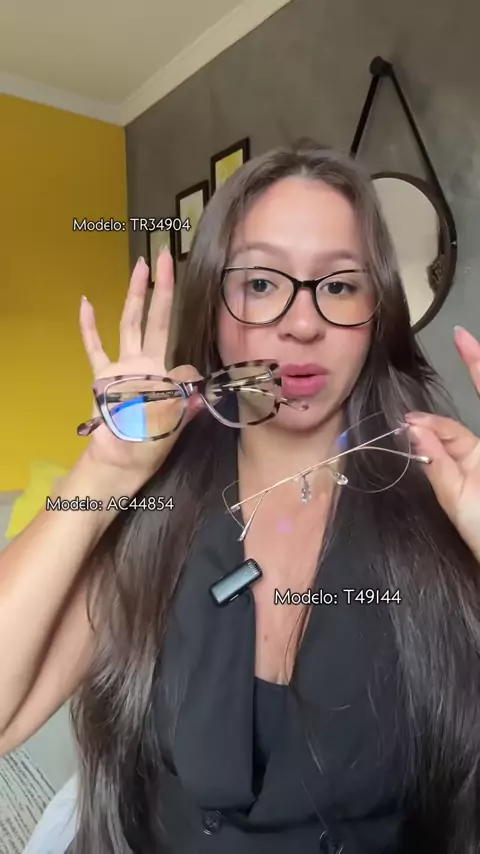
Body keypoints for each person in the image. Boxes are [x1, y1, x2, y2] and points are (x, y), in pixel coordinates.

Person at [0, 142, 479, 854]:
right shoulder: (155, 508)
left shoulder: (444, 504)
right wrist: (105, 470)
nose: (302, 323)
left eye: (339, 286)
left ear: (377, 314)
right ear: (214, 309)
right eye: (259, 282)